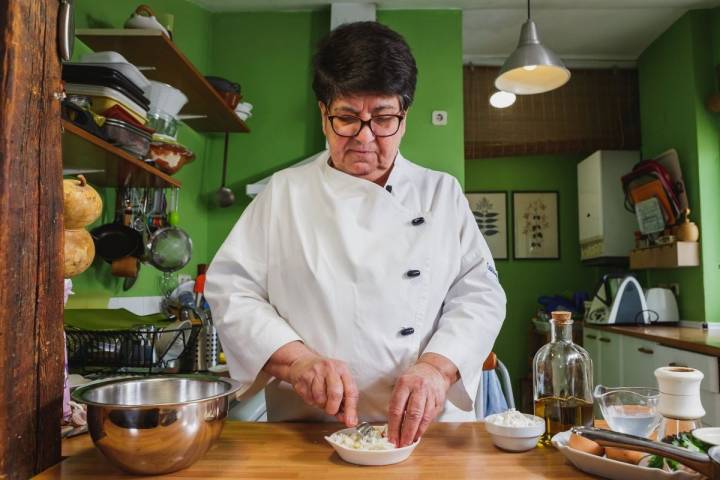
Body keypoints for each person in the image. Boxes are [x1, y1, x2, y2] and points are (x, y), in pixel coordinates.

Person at [204, 21, 506, 448]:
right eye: (347, 118)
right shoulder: (285, 192)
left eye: (383, 119)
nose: (365, 138)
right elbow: (231, 289)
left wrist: (437, 369)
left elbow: (481, 293)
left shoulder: (441, 193)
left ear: (405, 117)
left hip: (428, 428)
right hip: (310, 430)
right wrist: (297, 361)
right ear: (323, 113)